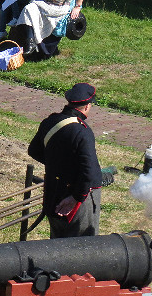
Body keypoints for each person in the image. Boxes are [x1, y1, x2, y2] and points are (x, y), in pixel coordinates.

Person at [27, 82, 102, 238]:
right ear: (87, 106)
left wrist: (58, 167)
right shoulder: (82, 131)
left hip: (54, 192)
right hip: (78, 198)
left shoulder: (50, 122)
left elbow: (34, 151)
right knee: (82, 247)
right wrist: (76, 197)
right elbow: (87, 172)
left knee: (57, 243)